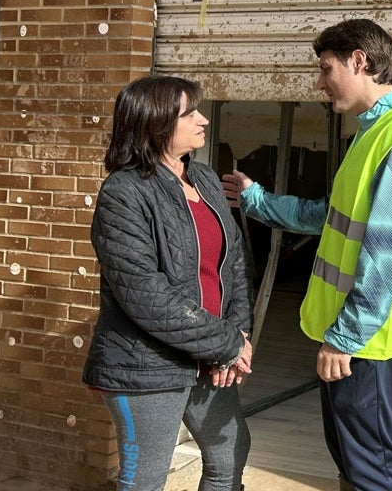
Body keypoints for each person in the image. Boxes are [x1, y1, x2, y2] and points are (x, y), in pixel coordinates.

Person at [221, 18, 392, 491]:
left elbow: (386, 254)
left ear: (359, 61)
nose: (320, 83)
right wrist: (258, 199)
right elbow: (334, 217)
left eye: (326, 69)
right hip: (362, 340)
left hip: (372, 343)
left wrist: (345, 338)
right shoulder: (371, 133)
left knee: (376, 470)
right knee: (352, 461)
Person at [83, 76, 254, 491]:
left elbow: (232, 265)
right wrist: (227, 343)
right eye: (190, 113)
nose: (204, 120)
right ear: (156, 122)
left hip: (209, 356)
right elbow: (145, 295)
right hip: (146, 364)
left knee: (229, 452)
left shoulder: (207, 180)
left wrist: (238, 334)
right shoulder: (123, 193)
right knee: (145, 478)